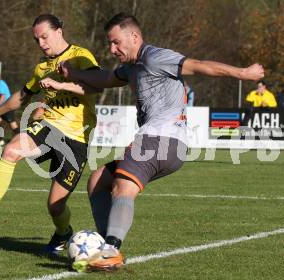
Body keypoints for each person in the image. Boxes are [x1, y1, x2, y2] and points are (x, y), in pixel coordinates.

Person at [47, 13, 264, 270]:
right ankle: (107, 248)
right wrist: (74, 74)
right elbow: (105, 79)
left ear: (134, 37)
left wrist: (243, 73)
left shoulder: (155, 56)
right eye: (110, 43)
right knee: (98, 181)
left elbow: (199, 65)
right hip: (167, 146)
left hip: (160, 138)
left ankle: (110, 249)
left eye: (116, 42)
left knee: (122, 188)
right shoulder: (132, 68)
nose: (112, 49)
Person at [0, 14, 101, 254]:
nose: (41, 43)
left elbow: (96, 85)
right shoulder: (42, 67)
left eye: (44, 37)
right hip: (50, 126)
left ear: (59, 32)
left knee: (55, 206)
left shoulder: (80, 56)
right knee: (10, 150)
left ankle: (63, 234)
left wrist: (63, 83)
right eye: (37, 39)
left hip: (76, 139)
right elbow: (22, 96)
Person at [0, 72, 19, 145]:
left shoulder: (1, 84)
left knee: (12, 124)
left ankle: (21, 139)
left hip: (6, 107)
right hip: (3, 108)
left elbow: (3, 97)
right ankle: (0, 140)